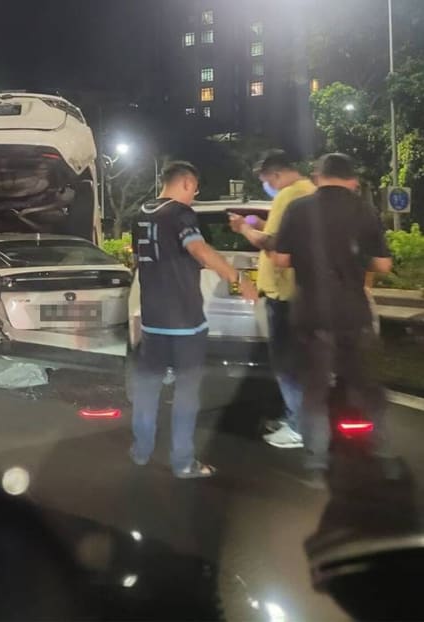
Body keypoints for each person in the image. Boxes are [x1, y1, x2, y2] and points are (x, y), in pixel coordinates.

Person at [131, 161, 257, 478]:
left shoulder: (141, 214)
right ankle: (183, 461)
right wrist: (237, 278)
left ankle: (141, 451)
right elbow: (198, 250)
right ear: (187, 183)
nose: (194, 197)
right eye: (195, 190)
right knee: (187, 391)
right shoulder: (180, 214)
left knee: (147, 387)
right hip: (185, 322)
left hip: (152, 321)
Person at [273, 153, 394, 478]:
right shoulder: (363, 209)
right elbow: (383, 264)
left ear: (318, 177)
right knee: (366, 384)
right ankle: (378, 448)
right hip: (353, 313)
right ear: (350, 178)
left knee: (315, 388)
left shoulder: (298, 209)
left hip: (311, 314)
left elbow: (281, 260)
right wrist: (357, 260)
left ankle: (316, 462)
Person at [228, 150, 316, 449]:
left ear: (275, 175)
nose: (267, 185)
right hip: (302, 293)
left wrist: (244, 228)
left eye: (266, 180)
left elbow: (272, 244)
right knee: (299, 362)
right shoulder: (310, 192)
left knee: (287, 365)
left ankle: (298, 427)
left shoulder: (287, 196)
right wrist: (258, 221)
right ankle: (296, 417)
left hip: (283, 294)